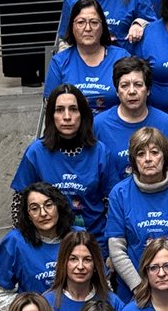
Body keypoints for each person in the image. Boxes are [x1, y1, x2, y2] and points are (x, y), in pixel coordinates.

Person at [11, 85, 109, 239]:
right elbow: (19, 204)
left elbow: (112, 203)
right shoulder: (36, 153)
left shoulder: (100, 152)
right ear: (51, 116)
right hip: (49, 242)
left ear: (83, 115)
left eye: (73, 109)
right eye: (60, 110)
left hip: (94, 241)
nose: (67, 116)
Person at [106, 126, 168, 302]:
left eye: (154, 152)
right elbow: (117, 249)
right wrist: (139, 287)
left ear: (165, 156)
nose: (148, 159)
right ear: (133, 161)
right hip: (133, 292)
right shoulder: (120, 193)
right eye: (141, 154)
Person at [93, 55, 168, 190]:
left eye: (138, 85)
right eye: (124, 86)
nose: (132, 91)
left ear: (148, 89)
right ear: (117, 91)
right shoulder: (98, 125)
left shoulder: (166, 123)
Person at [0, 183, 74, 310]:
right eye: (34, 208)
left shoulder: (77, 237)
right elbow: (3, 295)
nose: (43, 213)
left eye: (48, 205)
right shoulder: (14, 242)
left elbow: (101, 285)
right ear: (28, 215)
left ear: (58, 207)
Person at [44, 0, 127, 114]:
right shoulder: (59, 62)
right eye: (81, 22)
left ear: (102, 26)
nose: (87, 28)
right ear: (72, 27)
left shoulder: (121, 57)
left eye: (94, 22)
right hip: (73, 130)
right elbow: (51, 108)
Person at [45, 230, 121, 311]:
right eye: (73, 259)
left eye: (87, 260)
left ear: (95, 265)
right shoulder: (47, 303)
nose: (80, 266)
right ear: (63, 263)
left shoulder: (112, 302)